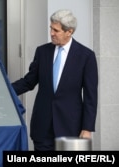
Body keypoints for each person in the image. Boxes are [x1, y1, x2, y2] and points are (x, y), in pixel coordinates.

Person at [12, 9, 98, 151]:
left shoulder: (86, 56)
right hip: (43, 128)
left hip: (70, 128)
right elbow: (28, 82)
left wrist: (87, 128)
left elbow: (90, 97)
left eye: (56, 30)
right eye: (51, 28)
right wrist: (4, 90)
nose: (51, 33)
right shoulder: (42, 52)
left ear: (69, 32)